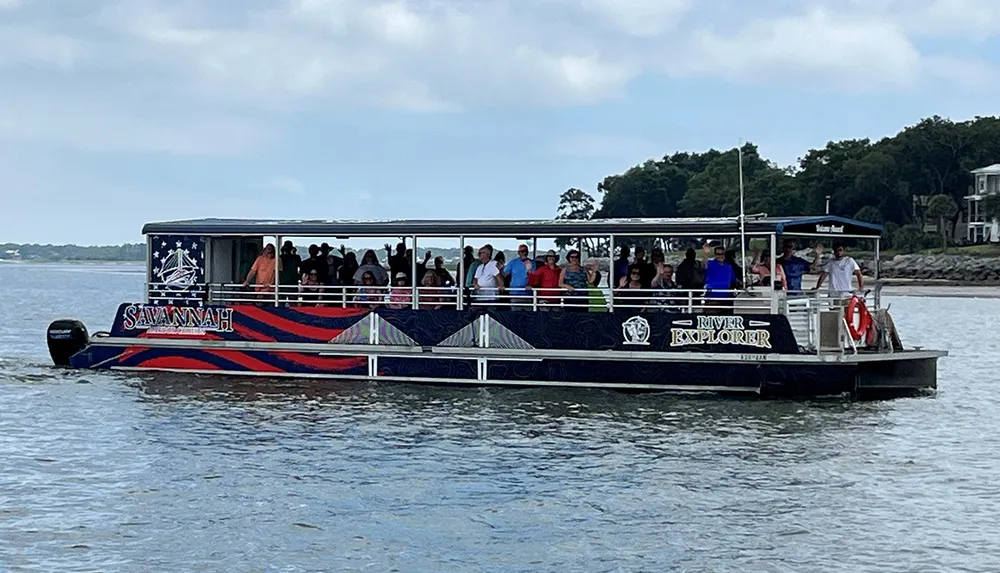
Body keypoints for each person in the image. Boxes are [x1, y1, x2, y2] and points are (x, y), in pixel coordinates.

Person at [703, 243, 737, 311]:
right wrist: (706, 254)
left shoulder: (729, 266)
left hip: (726, 300)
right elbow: (703, 265)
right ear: (715, 255)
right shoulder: (710, 264)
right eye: (718, 254)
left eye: (722, 254)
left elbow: (734, 280)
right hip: (712, 299)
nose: (720, 256)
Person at [504, 244, 535, 309]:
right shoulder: (513, 263)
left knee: (528, 316)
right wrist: (499, 269)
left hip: (528, 295)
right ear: (518, 253)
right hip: (515, 294)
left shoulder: (532, 263)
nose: (524, 253)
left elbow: (534, 277)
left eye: (526, 251)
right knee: (515, 315)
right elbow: (504, 274)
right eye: (522, 251)